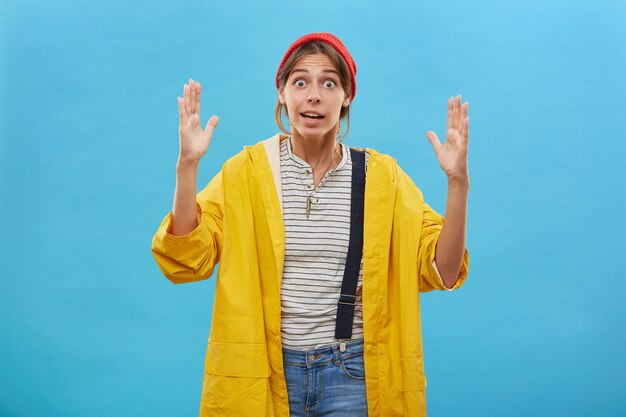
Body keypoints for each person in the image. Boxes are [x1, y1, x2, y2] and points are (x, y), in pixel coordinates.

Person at [151, 32, 470, 417]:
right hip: (265, 372)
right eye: (300, 82)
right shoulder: (248, 172)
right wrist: (187, 167)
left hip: (354, 375)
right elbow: (187, 258)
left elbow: (446, 271)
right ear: (282, 94)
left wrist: (457, 183)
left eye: (328, 83)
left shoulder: (382, 177)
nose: (313, 95)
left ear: (346, 96)